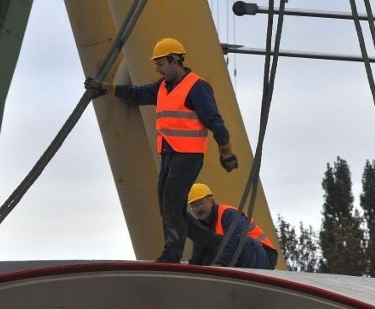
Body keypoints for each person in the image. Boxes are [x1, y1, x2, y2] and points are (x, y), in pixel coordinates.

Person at [84, 37, 238, 263]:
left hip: (188, 155)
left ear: (175, 60)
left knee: (172, 202)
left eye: (161, 64)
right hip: (169, 154)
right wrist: (108, 89)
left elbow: (214, 119)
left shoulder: (197, 87)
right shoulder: (162, 88)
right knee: (166, 207)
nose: (158, 69)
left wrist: (226, 150)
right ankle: (212, 242)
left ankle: (172, 254)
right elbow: (138, 94)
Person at [186, 183, 278, 269]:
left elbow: (234, 239)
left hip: (264, 257)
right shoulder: (202, 226)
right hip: (245, 258)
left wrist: (219, 264)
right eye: (193, 206)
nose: (197, 209)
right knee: (208, 247)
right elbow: (198, 255)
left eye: (200, 204)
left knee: (239, 241)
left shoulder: (228, 214)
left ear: (211, 201)